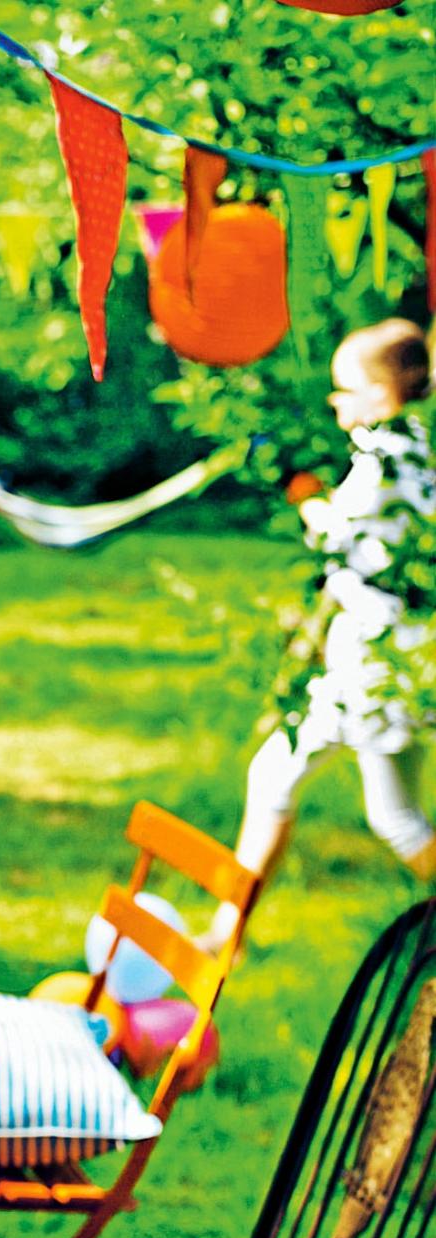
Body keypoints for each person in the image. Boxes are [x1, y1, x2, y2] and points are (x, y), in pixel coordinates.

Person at [206, 319, 436, 949]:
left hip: (378, 668)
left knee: (397, 819)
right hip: (378, 662)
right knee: (273, 777)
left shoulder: (388, 461)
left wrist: (301, 490)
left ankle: (227, 933)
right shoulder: (409, 449)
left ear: (381, 396)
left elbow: (336, 536)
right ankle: (227, 934)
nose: (335, 400)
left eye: (344, 389)